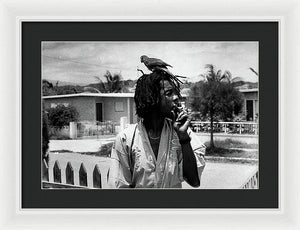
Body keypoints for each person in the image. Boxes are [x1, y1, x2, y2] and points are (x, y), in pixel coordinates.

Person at [108, 70, 205, 188]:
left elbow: (194, 181)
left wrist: (184, 139)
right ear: (152, 98)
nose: (176, 98)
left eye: (176, 93)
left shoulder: (182, 133)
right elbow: (118, 186)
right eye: (169, 93)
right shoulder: (126, 139)